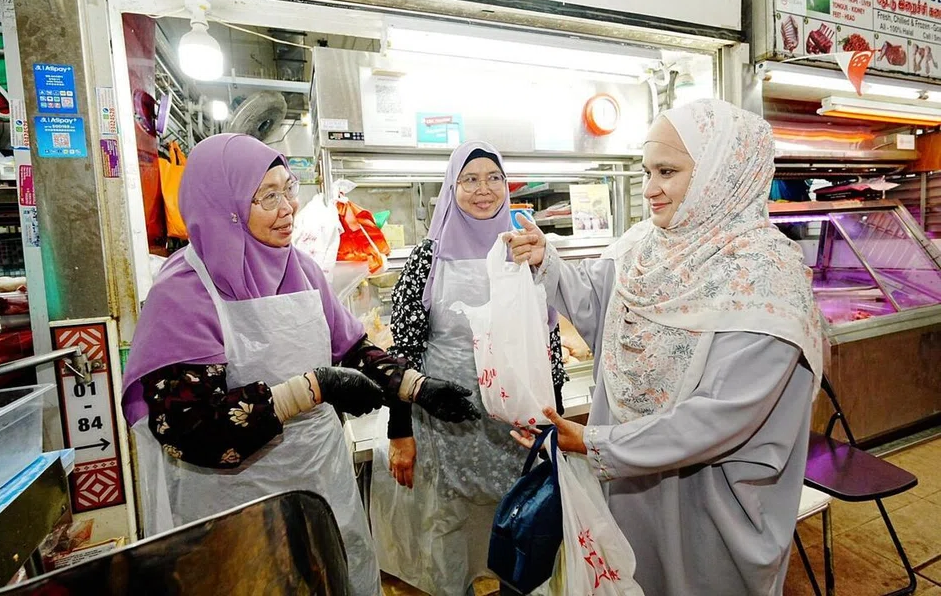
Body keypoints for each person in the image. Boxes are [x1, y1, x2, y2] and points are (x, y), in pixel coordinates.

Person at [121, 133, 480, 595]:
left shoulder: (302, 271)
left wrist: (417, 388)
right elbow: (189, 427)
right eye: (267, 196)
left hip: (319, 486)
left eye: (288, 189)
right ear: (224, 203)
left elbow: (353, 350)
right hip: (234, 511)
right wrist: (316, 387)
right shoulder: (186, 292)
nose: (288, 207)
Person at [508, 99, 824, 596]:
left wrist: (595, 444)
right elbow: (600, 302)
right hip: (631, 491)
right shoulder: (646, 245)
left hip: (709, 510)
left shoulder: (767, 283)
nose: (650, 188)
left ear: (723, 175)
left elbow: (719, 417)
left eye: (668, 171)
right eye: (647, 170)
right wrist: (547, 260)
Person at [370, 141, 568, 596]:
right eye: (470, 180)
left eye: (494, 178)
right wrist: (399, 430)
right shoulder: (428, 258)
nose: (484, 190)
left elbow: (548, 341)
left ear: (507, 185)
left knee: (516, 530)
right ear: (451, 188)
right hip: (444, 424)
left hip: (512, 428)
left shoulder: (524, 251)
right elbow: (403, 351)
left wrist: (552, 422)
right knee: (448, 537)